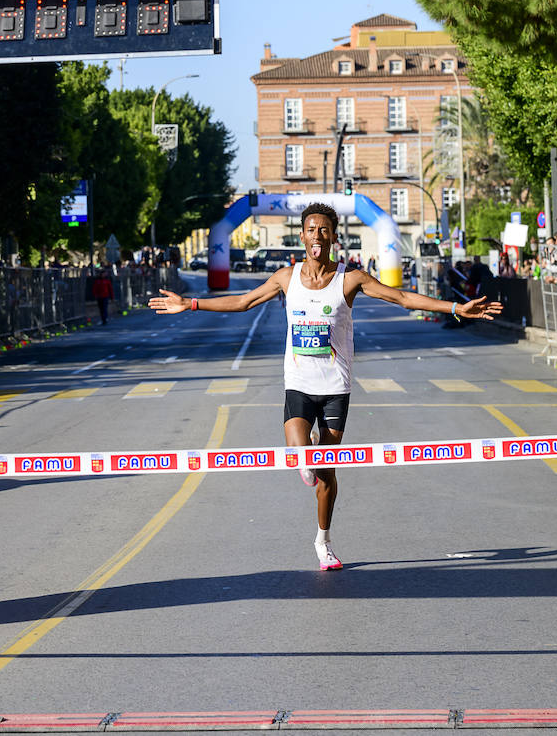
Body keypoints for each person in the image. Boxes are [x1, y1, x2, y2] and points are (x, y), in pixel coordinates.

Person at [150, 202, 502, 571]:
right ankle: (310, 456)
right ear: (301, 235)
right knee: (303, 459)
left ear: (334, 236)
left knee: (326, 473)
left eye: (324, 230)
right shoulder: (286, 277)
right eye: (311, 229)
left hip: (336, 387)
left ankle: (323, 540)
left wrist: (455, 309)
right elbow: (243, 301)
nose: (317, 236)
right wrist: (190, 303)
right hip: (299, 384)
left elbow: (400, 297)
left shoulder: (350, 278)